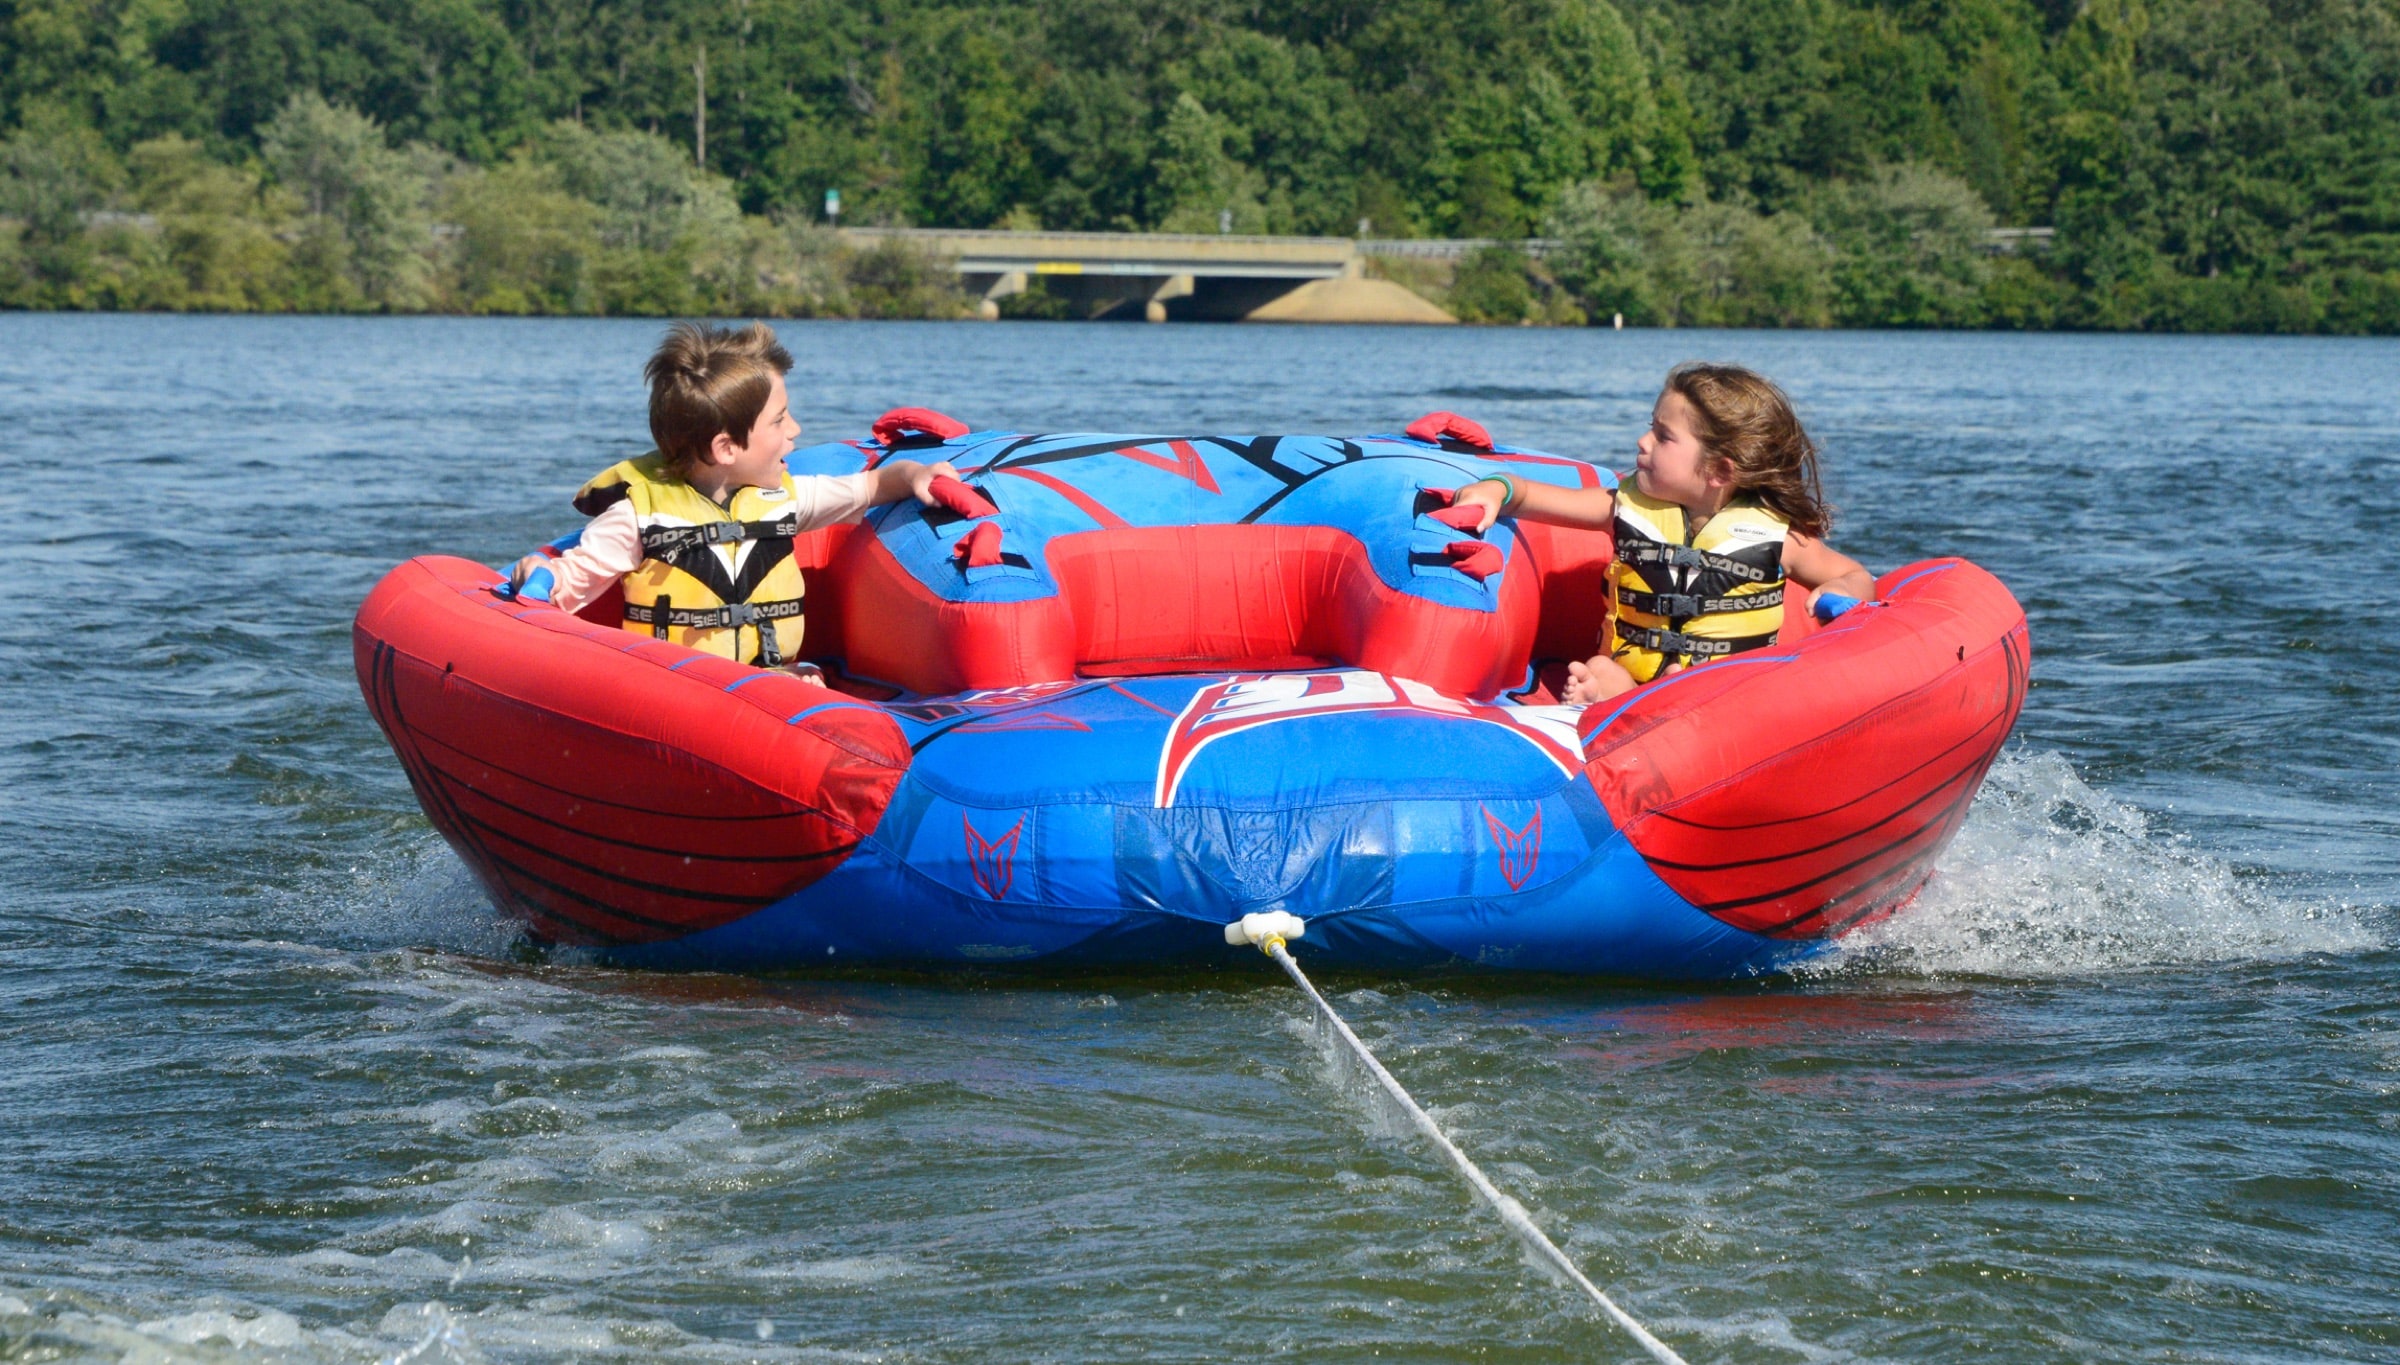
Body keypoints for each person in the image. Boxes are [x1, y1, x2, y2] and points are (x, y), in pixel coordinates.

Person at [509, 321, 956, 680]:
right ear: (727, 449)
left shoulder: (782, 500)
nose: (795, 430)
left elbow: (870, 488)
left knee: (807, 683)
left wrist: (916, 475)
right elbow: (573, 580)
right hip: (680, 693)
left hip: (772, 684)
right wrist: (542, 573)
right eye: (779, 421)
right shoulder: (638, 518)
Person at [1447, 362, 1876, 706]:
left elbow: (1858, 576)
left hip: (1727, 691)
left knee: (1721, 693)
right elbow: (1528, 496)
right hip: (1632, 676)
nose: (1643, 441)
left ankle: (1671, 695)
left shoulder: (1778, 537)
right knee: (1600, 668)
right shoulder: (1622, 508)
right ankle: (1603, 696)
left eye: (1663, 436)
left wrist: (1840, 586)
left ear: (1719, 470)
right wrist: (1496, 489)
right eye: (1650, 426)